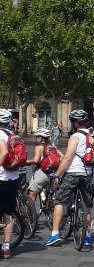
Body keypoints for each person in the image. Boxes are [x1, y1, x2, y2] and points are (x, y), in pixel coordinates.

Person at [43, 109, 94, 247]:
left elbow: (67, 158)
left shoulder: (75, 136)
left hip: (73, 173)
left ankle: (55, 234)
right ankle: (87, 236)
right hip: (88, 173)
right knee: (86, 205)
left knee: (60, 201)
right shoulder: (92, 136)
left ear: (75, 123)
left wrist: (57, 174)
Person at [0, 109, 20, 259]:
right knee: (8, 213)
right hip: (13, 177)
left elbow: (4, 152)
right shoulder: (13, 135)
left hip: (1, 177)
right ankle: (6, 247)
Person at [26, 128, 64, 202]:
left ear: (40, 138)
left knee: (32, 194)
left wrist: (28, 161)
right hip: (52, 174)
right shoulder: (53, 147)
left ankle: (31, 209)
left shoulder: (39, 147)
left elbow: (36, 160)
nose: (36, 138)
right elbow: (62, 157)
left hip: (41, 173)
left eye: (37, 137)